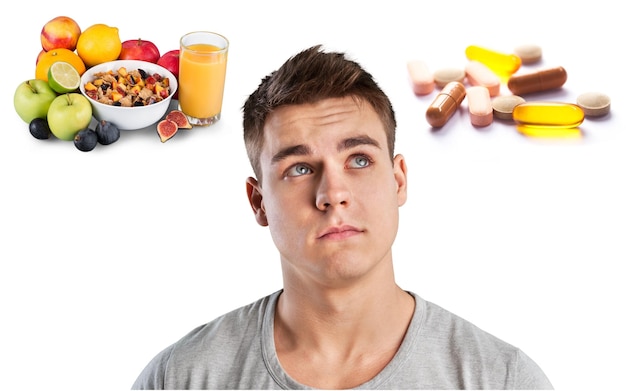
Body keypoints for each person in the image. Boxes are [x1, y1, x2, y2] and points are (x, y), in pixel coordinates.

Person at [132, 45, 553, 390]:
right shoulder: (179, 379)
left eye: (359, 159)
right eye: (299, 168)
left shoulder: (503, 380)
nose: (333, 194)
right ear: (258, 202)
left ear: (399, 180)